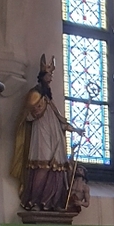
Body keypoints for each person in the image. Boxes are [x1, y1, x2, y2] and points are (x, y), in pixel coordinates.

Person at [12, 55, 81, 212]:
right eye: (48, 74)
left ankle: (50, 202)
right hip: (41, 134)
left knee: (56, 168)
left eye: (51, 75)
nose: (50, 77)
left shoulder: (49, 98)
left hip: (54, 136)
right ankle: (35, 201)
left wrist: (75, 130)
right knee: (41, 165)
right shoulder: (35, 94)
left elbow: (59, 119)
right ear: (42, 76)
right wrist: (36, 110)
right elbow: (28, 116)